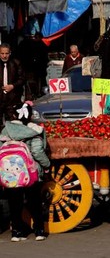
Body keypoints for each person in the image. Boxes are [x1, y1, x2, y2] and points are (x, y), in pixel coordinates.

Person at [1, 101, 51, 241]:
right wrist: (47, 165)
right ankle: (39, 231)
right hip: (31, 172)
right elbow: (37, 151)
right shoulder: (33, 130)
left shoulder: (6, 131)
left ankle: (16, 232)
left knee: (14, 203)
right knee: (34, 201)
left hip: (10, 174)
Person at [16, 33, 49, 100]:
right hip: (32, 68)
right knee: (33, 82)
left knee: (31, 83)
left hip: (32, 68)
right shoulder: (38, 45)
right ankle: (34, 95)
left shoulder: (28, 44)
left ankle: (32, 96)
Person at [0, 43, 25, 124]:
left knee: (13, 124)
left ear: (10, 53)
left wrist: (13, 86)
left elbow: (22, 79)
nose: (4, 56)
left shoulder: (16, 63)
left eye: (6, 53)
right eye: (2, 53)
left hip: (13, 98)